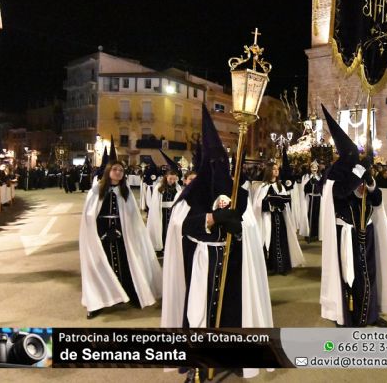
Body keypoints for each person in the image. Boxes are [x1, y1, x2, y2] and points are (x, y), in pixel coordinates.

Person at [161, 106, 272, 381]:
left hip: (233, 262)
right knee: (199, 312)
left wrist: (238, 223)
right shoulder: (192, 191)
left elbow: (248, 222)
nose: (217, 167)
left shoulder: (236, 189)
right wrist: (211, 218)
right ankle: (198, 365)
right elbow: (182, 224)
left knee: (232, 312)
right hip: (203, 261)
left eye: (221, 162)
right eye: (212, 163)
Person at [319, 105, 387, 328]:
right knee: (349, 275)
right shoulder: (335, 173)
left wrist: (372, 184)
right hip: (346, 232)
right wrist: (359, 172)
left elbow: (376, 202)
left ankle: (370, 314)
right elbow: (340, 192)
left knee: (369, 274)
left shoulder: (361, 171)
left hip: (366, 230)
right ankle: (347, 315)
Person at [78, 160, 162, 319]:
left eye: (121, 170)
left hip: (122, 235)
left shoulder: (126, 192)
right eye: (115, 169)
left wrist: (121, 231)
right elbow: (90, 217)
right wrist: (103, 233)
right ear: (108, 171)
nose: (118, 172)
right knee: (100, 266)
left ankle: (131, 293)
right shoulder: (96, 190)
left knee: (125, 263)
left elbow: (132, 217)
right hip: (100, 236)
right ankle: (98, 302)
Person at [252, 158, 304, 275]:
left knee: (280, 240)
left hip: (279, 218)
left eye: (277, 169)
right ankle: (270, 266)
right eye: (274, 169)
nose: (276, 171)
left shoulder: (280, 186)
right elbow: (258, 204)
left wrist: (280, 205)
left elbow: (285, 202)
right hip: (267, 218)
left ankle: (281, 267)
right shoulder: (262, 187)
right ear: (269, 171)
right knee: (268, 240)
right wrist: (268, 204)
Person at [147, 151, 183, 253]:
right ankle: (162, 246)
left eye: (174, 178)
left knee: (172, 229)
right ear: (166, 177)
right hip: (162, 212)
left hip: (173, 211)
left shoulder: (178, 187)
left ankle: (171, 246)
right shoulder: (159, 187)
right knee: (163, 229)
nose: (172, 180)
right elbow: (155, 202)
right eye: (170, 178)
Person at [302, 160, 324, 243]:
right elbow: (304, 188)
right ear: (310, 168)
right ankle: (309, 233)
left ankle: (316, 233)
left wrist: (317, 183)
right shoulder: (306, 177)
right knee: (309, 215)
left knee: (317, 215)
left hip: (318, 198)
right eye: (312, 167)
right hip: (310, 198)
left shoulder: (320, 176)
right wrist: (310, 181)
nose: (314, 169)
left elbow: (322, 187)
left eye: (316, 167)